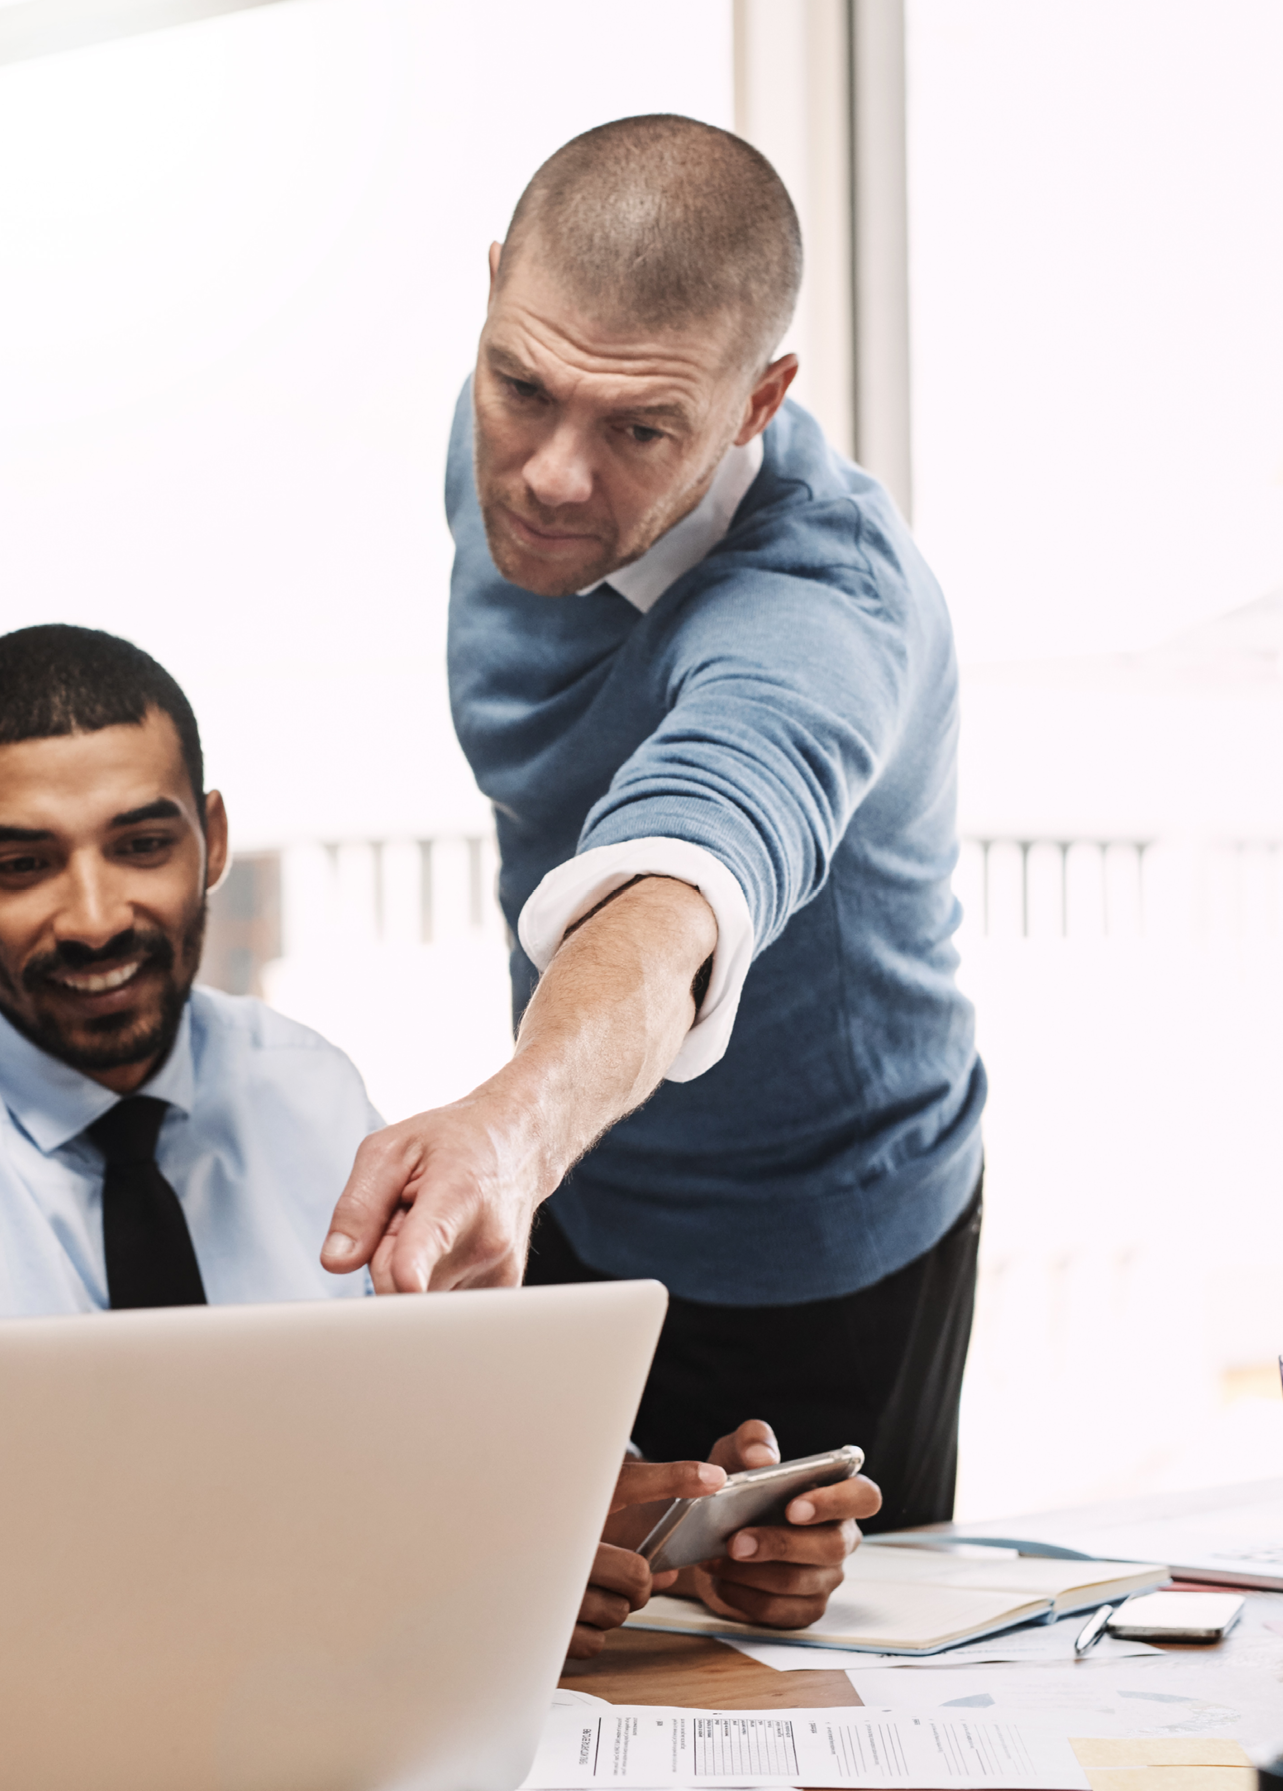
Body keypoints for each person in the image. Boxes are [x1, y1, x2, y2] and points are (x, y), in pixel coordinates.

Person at [0, 624, 878, 1662]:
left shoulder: (296, 1081)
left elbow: (429, 1437)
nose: (92, 916)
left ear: (214, 841)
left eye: (141, 844)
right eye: (19, 864)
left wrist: (666, 1535)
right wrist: (430, 1565)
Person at [321, 115, 987, 1531]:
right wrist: (531, 1145)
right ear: (499, 293)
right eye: (523, 384)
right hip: (580, 1173)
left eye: (640, 429)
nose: (556, 474)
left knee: (808, 1683)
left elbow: (678, 883)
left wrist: (512, 1126)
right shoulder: (520, 421)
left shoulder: (821, 612)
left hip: (827, 1238)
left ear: (758, 400)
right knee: (549, 1639)